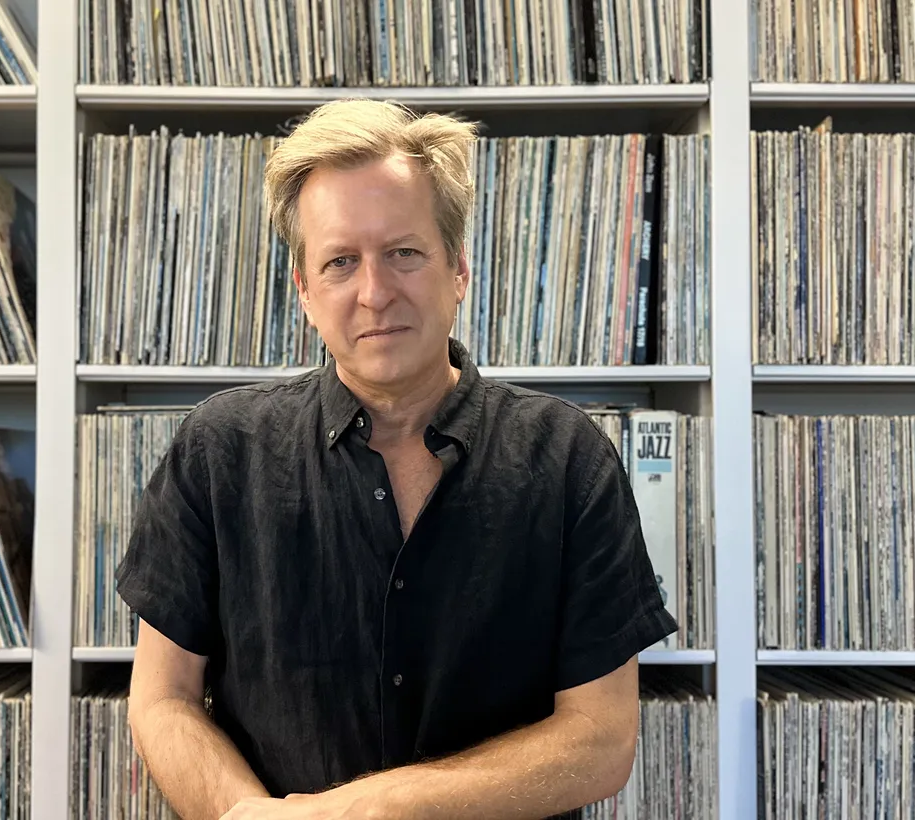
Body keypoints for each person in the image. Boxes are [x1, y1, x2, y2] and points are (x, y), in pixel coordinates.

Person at [114, 98, 678, 820]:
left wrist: (369, 809)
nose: (375, 293)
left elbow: (601, 741)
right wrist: (251, 817)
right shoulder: (219, 450)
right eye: (341, 261)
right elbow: (163, 701)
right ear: (306, 292)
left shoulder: (569, 460)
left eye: (404, 253)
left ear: (458, 270)